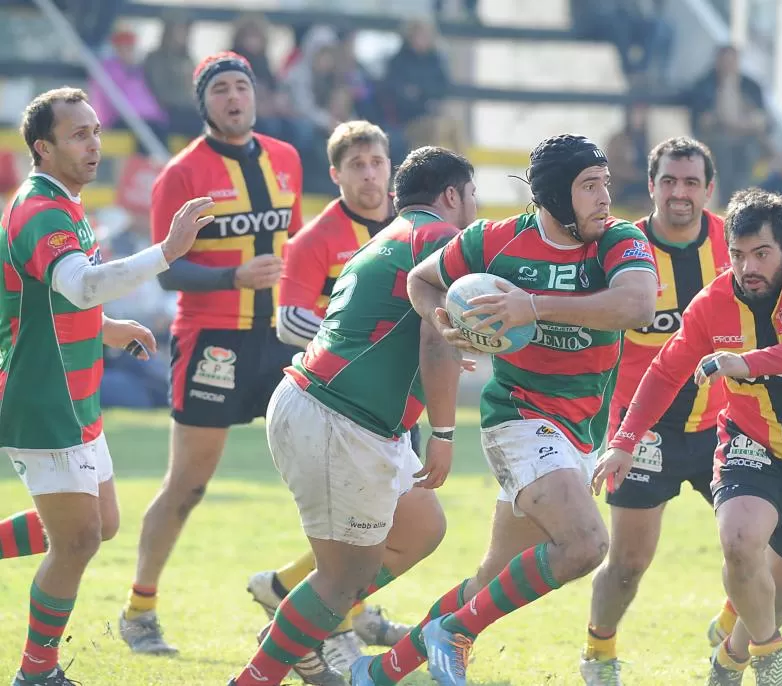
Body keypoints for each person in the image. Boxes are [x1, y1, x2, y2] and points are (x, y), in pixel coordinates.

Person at [350, 133, 659, 686]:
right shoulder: (492, 241)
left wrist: (531, 305)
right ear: (556, 196)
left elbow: (636, 304)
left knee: (490, 580)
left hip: (579, 431)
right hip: (518, 418)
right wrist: (445, 318)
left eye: (605, 184)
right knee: (586, 544)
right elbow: (423, 281)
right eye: (589, 187)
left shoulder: (619, 240)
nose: (603, 198)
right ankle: (456, 633)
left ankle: (378, 672)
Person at [227, 145, 478, 686]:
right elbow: (434, 341)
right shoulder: (439, 239)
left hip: (331, 411)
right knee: (344, 580)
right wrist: (445, 433)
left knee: (421, 527)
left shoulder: (385, 238)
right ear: (452, 196)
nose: (475, 208)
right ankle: (267, 662)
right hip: (341, 419)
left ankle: (296, 624)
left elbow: (414, 334)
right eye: (473, 195)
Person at [594, 188, 782, 686]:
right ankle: (769, 658)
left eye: (761, 254)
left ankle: (731, 660)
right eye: (737, 255)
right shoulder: (713, 304)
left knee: (777, 593)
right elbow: (665, 369)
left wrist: (747, 363)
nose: (748, 268)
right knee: (739, 542)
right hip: (751, 443)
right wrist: (625, 440)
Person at [2, 87, 213, 686]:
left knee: (102, 523)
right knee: (77, 540)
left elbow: (61, 299)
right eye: (78, 134)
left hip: (76, 392)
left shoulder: (65, 201)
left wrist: (105, 328)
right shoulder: (42, 209)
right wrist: (167, 252)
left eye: (96, 130)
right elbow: (81, 285)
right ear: (43, 148)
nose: (94, 143)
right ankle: (36, 674)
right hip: (43, 399)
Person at [118, 51, 305, 656]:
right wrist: (233, 280)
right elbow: (167, 274)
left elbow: (293, 249)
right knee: (188, 485)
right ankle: (140, 609)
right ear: (204, 102)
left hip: (280, 336)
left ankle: (334, 603)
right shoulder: (181, 173)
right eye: (220, 89)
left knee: (327, 474)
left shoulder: (286, 158)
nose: (233, 98)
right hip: (212, 341)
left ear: (255, 95)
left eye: (241, 87)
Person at [245, 121, 416, 677]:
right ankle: (333, 627)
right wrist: (362, 342)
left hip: (393, 402)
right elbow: (289, 319)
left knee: (390, 526)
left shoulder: (409, 230)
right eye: (357, 165)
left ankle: (284, 591)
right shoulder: (314, 239)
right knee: (354, 533)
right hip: (339, 402)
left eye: (377, 162)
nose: (369, 174)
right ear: (336, 173)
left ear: (391, 168)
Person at [580, 136, 730, 685]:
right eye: (669, 180)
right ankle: (599, 653)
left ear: (709, 189)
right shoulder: (622, 248)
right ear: (650, 186)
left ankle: (734, 630)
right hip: (643, 429)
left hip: (725, 422)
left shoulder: (734, 243)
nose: (680, 192)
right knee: (628, 564)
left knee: (765, 538)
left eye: (691, 182)